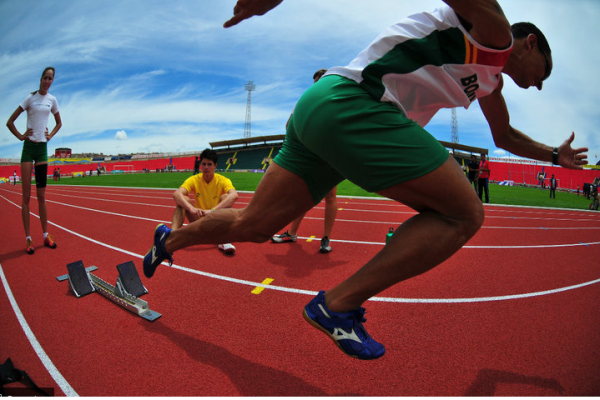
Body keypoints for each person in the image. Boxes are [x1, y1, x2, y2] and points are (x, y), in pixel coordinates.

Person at [145, 0, 589, 361]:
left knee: (254, 225)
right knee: (464, 213)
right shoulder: (493, 27)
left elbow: (504, 136)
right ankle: (336, 306)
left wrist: (553, 155)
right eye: (544, 74)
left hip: (319, 108)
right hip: (358, 104)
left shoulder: (492, 84)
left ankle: (167, 241)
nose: (540, 87)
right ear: (530, 43)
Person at [271, 69, 338, 253]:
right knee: (304, 195)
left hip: (330, 153)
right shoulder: (304, 100)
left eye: (321, 80)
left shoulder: (336, 99)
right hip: (310, 154)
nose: (318, 84)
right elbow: (288, 125)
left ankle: (326, 239)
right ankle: (292, 233)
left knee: (330, 196)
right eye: (315, 81)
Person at [6, 66, 62, 255]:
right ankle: (28, 239)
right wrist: (21, 136)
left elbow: (59, 123)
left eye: (50, 78)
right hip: (29, 149)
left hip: (42, 150)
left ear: (52, 81)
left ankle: (45, 235)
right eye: (45, 78)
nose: (47, 81)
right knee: (26, 197)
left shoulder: (52, 100)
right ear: (40, 79)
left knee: (42, 196)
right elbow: (10, 122)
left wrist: (51, 135)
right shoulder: (30, 99)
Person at [170, 148, 239, 255]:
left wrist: (212, 211)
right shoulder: (194, 179)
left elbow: (234, 195)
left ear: (215, 165)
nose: (206, 167)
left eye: (209, 164)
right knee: (183, 200)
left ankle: (224, 240)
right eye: (204, 164)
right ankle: (172, 237)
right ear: (200, 165)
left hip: (217, 220)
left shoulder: (223, 180)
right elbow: (176, 194)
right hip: (199, 220)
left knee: (226, 196)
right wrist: (191, 209)